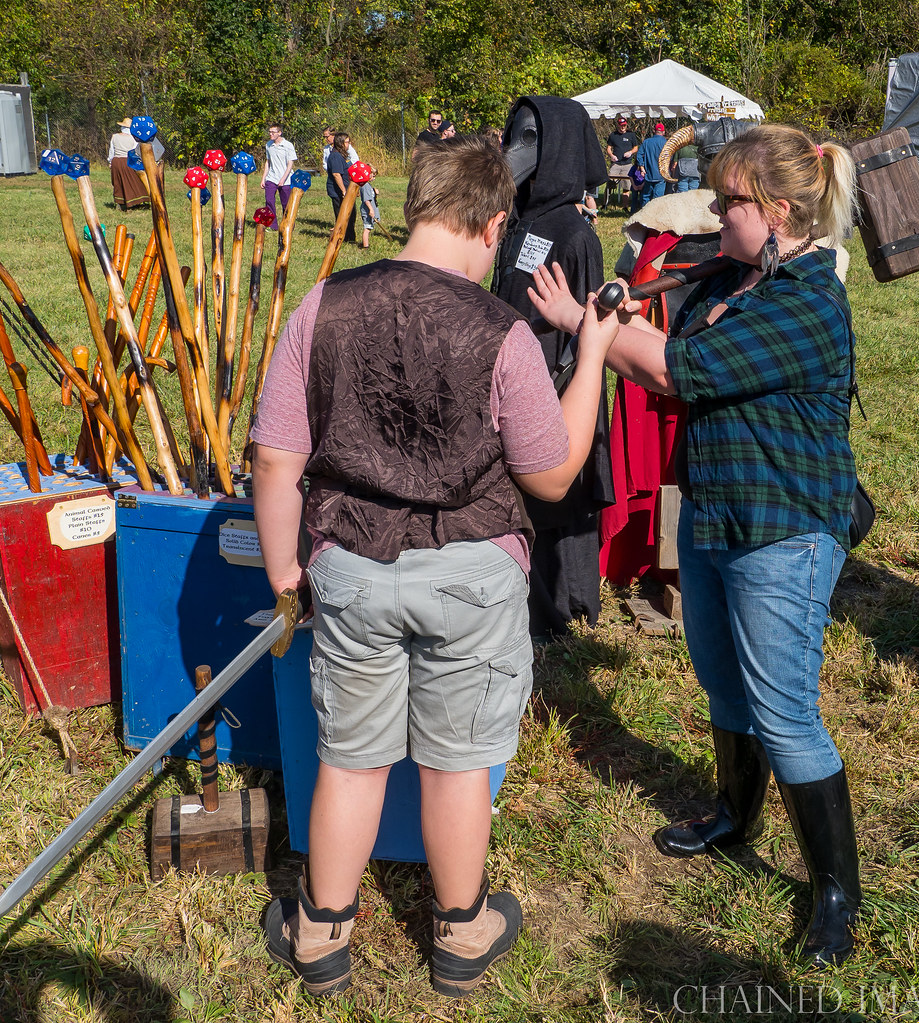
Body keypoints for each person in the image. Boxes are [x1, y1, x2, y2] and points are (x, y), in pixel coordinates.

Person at [252, 134, 618, 998]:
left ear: (417, 205)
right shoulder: (502, 332)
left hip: (351, 564)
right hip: (471, 571)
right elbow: (553, 471)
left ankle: (320, 932)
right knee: (457, 761)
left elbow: (275, 460)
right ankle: (461, 933)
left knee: (350, 755)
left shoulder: (322, 305)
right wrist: (593, 350)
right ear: (495, 225)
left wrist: (282, 574)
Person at [528, 123, 863, 968]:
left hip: (784, 526)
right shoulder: (742, 274)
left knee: (785, 711)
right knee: (721, 678)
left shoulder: (806, 300)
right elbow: (661, 338)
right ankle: (732, 813)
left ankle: (834, 891)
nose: (716, 212)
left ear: (780, 211)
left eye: (730, 201)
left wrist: (584, 326)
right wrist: (611, 312)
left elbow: (678, 370)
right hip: (717, 511)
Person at [491, 95, 615, 639]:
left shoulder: (573, 233)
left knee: (564, 501)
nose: (516, 153)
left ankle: (570, 610)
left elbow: (585, 328)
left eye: (530, 141)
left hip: (558, 385)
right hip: (515, 382)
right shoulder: (518, 224)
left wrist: (555, 395)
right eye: (513, 137)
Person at [107, 117, 150, 210]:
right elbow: (136, 152)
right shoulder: (134, 139)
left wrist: (110, 161)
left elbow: (112, 151)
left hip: (116, 162)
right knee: (135, 181)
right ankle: (134, 201)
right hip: (128, 161)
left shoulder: (115, 136)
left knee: (119, 182)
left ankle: (122, 202)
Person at [260, 123, 297, 228]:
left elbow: (290, 164)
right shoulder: (268, 145)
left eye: (273, 132)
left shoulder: (288, 145)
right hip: (271, 178)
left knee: (286, 203)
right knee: (269, 200)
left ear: (279, 133)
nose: (270, 134)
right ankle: (272, 225)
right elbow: (268, 162)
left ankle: (288, 224)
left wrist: (283, 179)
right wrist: (263, 178)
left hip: (285, 179)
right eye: (270, 132)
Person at [325, 132, 357, 244]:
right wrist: (344, 191)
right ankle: (342, 238)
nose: (349, 144)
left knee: (351, 215)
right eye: (347, 142)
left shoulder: (343, 155)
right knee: (342, 216)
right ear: (340, 143)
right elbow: (336, 174)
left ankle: (350, 237)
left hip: (348, 190)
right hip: (338, 192)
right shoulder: (335, 156)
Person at [606, 114, 640, 209]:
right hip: (616, 164)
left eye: (624, 125)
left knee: (626, 186)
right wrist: (611, 155)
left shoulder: (631, 135)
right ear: (618, 125)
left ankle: (625, 206)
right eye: (621, 126)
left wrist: (630, 152)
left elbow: (636, 147)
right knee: (609, 183)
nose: (622, 128)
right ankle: (606, 203)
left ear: (626, 125)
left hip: (627, 164)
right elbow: (608, 148)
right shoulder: (613, 135)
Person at [636, 123, 669, 206]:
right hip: (661, 175)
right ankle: (656, 215)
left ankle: (644, 214)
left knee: (646, 196)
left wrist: (642, 167)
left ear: (654, 131)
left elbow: (639, 155)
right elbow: (670, 157)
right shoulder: (666, 143)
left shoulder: (646, 142)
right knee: (658, 198)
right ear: (663, 132)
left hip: (649, 174)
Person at [360, 170, 379, 249]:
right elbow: (366, 200)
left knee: (369, 227)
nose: (374, 178)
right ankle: (365, 246)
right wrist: (371, 210)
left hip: (370, 209)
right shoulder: (365, 186)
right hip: (367, 210)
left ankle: (366, 244)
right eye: (373, 176)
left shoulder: (368, 185)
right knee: (367, 228)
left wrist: (374, 191)